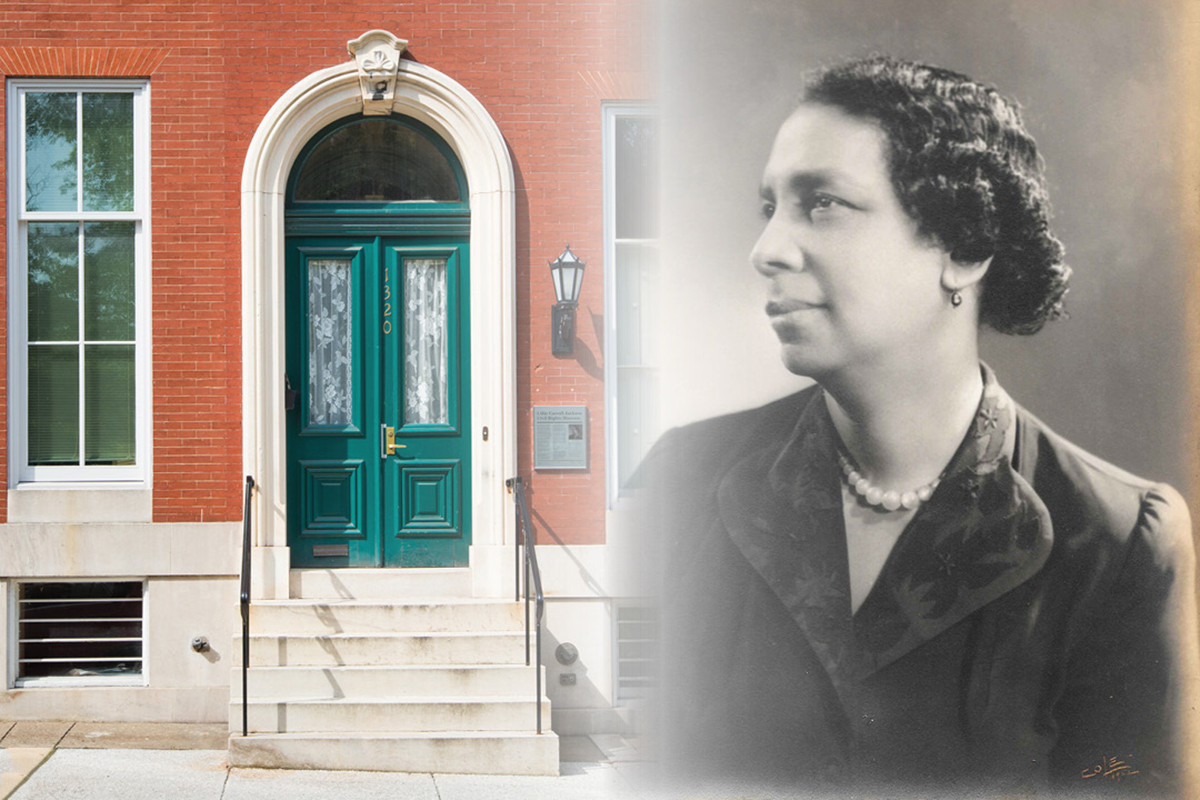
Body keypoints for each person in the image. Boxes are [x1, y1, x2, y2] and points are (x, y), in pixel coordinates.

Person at [639, 56, 1198, 798]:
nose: (767, 248)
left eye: (823, 204)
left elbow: (1123, 778)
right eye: (769, 206)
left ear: (963, 249)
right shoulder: (685, 482)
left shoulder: (1117, 541)